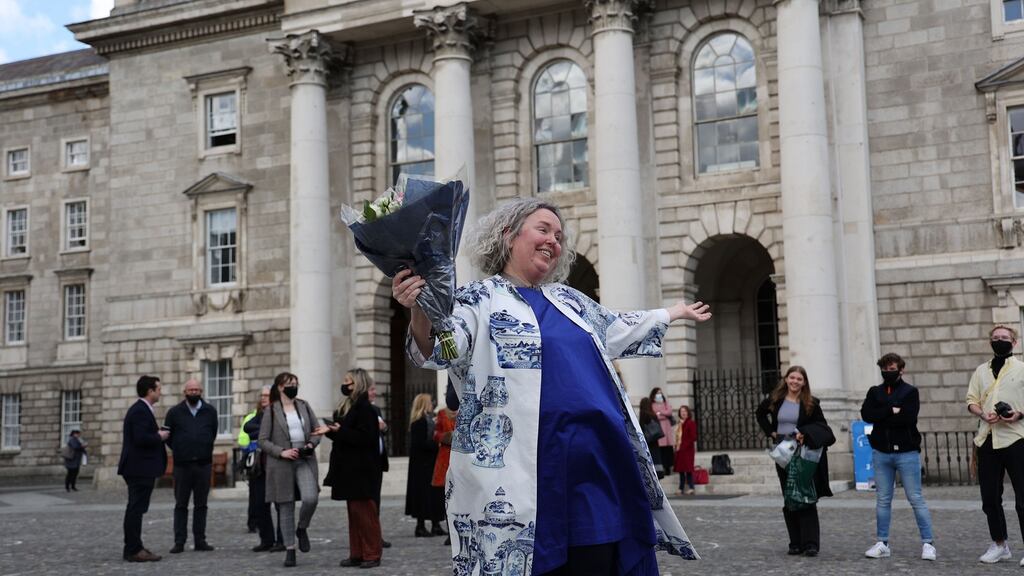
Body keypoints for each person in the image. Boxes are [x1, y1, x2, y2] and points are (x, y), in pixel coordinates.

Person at [396, 198, 710, 574]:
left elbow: (616, 325)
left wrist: (671, 313)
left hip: (597, 466)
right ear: (507, 236)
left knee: (598, 559)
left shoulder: (569, 300)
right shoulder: (477, 299)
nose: (553, 241)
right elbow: (441, 347)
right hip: (523, 477)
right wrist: (418, 307)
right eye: (543, 229)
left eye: (559, 236)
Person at [860, 352, 936, 561]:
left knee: (915, 498)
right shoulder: (875, 391)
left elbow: (908, 417)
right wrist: (890, 410)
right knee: (883, 500)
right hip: (881, 453)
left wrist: (885, 414)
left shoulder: (910, 392)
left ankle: (928, 543)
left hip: (907, 453)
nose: (888, 372)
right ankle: (882, 542)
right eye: (885, 369)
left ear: (901, 370)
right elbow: (867, 414)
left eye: (892, 369)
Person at [756, 366, 833, 557]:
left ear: (804, 382)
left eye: (799, 379)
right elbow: (759, 413)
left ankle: (811, 543)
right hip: (782, 452)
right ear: (786, 379)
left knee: (805, 495)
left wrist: (804, 433)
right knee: (789, 496)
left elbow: (821, 426)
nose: (795, 382)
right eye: (792, 377)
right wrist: (771, 432)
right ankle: (795, 543)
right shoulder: (776, 400)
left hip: (801, 452)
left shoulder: (811, 403)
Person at [966, 325, 1024, 565]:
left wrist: (1019, 413)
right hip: (987, 439)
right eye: (996, 338)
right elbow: (971, 400)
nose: (1000, 341)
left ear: (1015, 342)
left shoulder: (1022, 369)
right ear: (990, 342)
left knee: (1023, 497)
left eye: (1005, 338)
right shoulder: (981, 371)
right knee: (989, 497)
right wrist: (982, 414)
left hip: (1016, 438)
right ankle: (1000, 544)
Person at [259, 372, 324, 568]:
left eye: (296, 383)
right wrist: (282, 452)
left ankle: (302, 528)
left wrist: (312, 444)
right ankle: (290, 550)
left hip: (304, 459)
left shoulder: (303, 406)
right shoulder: (271, 410)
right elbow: (262, 441)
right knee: (285, 506)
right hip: (282, 463)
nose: (294, 387)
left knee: (311, 497)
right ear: (280, 387)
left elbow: (317, 430)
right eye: (290, 384)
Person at [323, 368, 384, 568]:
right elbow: (347, 436)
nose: (345, 384)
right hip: (349, 469)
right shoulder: (350, 407)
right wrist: (331, 431)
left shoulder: (365, 408)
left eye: (348, 381)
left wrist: (341, 430)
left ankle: (372, 553)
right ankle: (357, 552)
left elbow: (365, 438)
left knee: (366, 514)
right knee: (354, 514)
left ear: (357, 383)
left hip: (362, 469)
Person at [117, 375, 170, 563]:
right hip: (138, 467)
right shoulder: (140, 410)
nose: (160, 391)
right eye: (158, 388)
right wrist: (160, 436)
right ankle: (133, 549)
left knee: (137, 508)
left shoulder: (143, 409)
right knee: (135, 508)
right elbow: (141, 439)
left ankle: (134, 546)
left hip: (140, 467)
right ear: (150, 391)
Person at [163, 378, 218, 554]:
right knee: (181, 505)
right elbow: (168, 436)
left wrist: (203, 446)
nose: (194, 392)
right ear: (184, 392)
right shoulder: (174, 412)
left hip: (203, 464)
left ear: (201, 392)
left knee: (201, 505)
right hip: (182, 466)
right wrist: (180, 449)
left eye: (196, 390)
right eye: (190, 390)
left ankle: (200, 540)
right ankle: (179, 541)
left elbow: (213, 432)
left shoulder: (210, 411)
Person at [243, 386, 278, 552]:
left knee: (280, 504)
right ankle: (267, 539)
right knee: (259, 504)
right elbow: (248, 428)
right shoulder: (259, 414)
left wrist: (263, 434)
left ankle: (283, 539)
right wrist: (264, 433)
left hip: (276, 464)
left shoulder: (279, 413)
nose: (263, 398)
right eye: (262, 395)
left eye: (267, 395)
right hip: (259, 466)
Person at [405, 393, 444, 537]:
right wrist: (438, 443)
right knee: (422, 495)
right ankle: (420, 526)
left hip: (429, 463)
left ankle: (436, 524)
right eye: (430, 402)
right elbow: (420, 444)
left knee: (433, 495)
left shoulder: (428, 420)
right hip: (422, 466)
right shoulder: (419, 422)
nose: (433, 403)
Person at [367, 382, 392, 550]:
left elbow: (383, 428)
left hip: (378, 460)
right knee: (368, 502)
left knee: (376, 500)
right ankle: (370, 537)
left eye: (374, 389)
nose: (374, 392)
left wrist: (383, 428)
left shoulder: (376, 409)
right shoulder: (360, 409)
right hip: (366, 461)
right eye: (371, 389)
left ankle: (376, 535)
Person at [239, 389, 265, 534]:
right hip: (253, 456)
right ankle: (253, 522)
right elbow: (243, 437)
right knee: (255, 493)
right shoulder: (251, 417)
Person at [432, 402, 457, 546]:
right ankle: (450, 532)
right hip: (445, 458)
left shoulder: (466, 410)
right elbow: (436, 434)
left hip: (460, 457)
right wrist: (447, 437)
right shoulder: (442, 413)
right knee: (447, 497)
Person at [650, 387, 676, 477]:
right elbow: (653, 414)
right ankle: (663, 468)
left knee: (668, 449)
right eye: (657, 393)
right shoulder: (652, 404)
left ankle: (669, 467)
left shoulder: (666, 403)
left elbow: (669, 412)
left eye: (660, 393)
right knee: (660, 450)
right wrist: (662, 414)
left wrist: (660, 413)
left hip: (667, 429)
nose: (659, 395)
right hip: (658, 429)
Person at [674, 406, 697, 495]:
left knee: (688, 469)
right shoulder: (680, 423)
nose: (683, 413)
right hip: (680, 449)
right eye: (681, 411)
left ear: (688, 413)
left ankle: (691, 487)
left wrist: (685, 445)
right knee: (681, 470)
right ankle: (681, 487)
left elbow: (693, 437)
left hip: (687, 450)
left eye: (685, 411)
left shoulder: (690, 423)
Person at [638, 398, 664, 478]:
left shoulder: (643, 414)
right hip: (654, 441)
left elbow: (641, 428)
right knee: (656, 458)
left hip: (647, 441)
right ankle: (658, 474)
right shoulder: (653, 414)